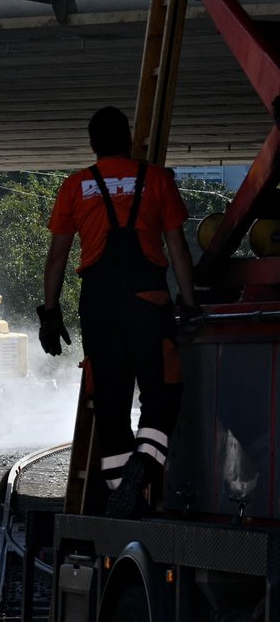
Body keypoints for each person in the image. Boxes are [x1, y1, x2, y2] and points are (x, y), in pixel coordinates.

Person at [39, 105, 199, 520]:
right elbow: (177, 248)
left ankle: (122, 498)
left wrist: (50, 313)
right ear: (128, 139)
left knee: (109, 405)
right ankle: (142, 470)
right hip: (148, 301)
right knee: (163, 396)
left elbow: (57, 258)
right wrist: (190, 302)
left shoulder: (75, 187)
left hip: (98, 305)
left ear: (93, 146)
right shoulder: (158, 180)